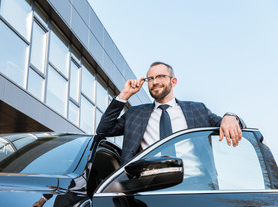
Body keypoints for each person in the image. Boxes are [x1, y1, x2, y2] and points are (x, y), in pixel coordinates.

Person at [96, 61, 246, 164]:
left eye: (161, 76)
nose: (155, 82)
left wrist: (231, 117)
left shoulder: (197, 110)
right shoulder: (135, 114)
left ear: (173, 81)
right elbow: (104, 130)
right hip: (146, 184)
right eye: (150, 78)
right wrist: (124, 95)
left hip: (195, 182)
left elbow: (236, 127)